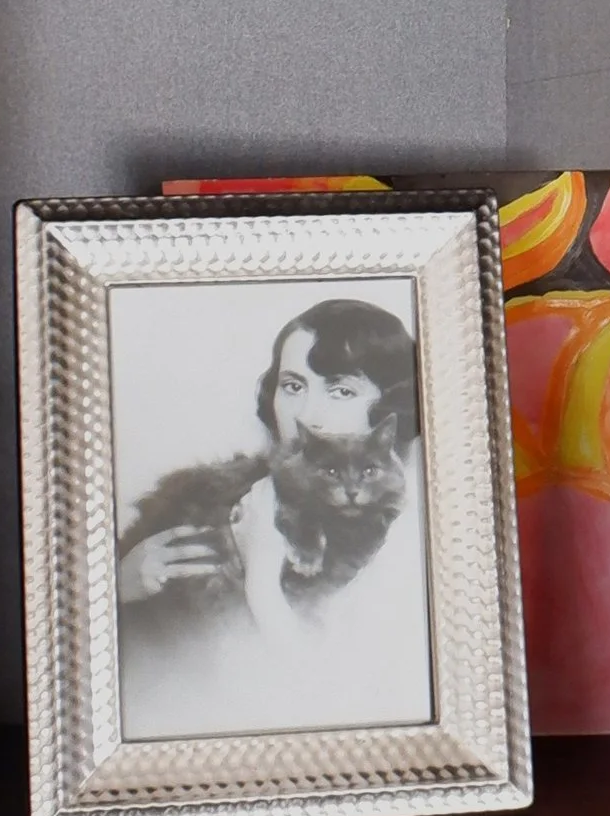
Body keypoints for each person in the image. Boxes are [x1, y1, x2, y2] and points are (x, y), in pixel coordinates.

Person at [115, 297, 434, 736]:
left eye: (341, 389)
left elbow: (334, 705)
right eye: (293, 386)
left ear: (393, 408)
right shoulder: (213, 492)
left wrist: (261, 575)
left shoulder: (415, 549)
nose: (308, 415)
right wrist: (116, 590)